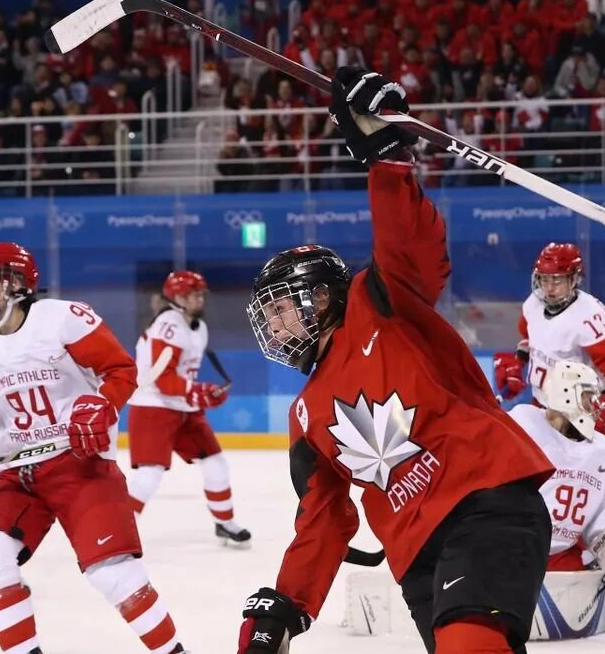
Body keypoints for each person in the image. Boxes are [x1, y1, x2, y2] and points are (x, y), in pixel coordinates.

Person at [236, 67, 554, 654]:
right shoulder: (305, 416)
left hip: (482, 502)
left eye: (284, 308)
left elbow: (414, 245)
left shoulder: (375, 300)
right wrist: (286, 604)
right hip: (416, 557)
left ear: (324, 294)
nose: (276, 325)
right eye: (270, 316)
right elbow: (324, 518)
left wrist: (385, 154)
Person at [0, 242, 184, 654]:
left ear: (20, 284)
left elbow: (119, 371)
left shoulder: (63, 318)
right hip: (17, 474)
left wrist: (98, 404)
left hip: (78, 465)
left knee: (113, 573)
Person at [508, 361, 605, 639]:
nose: (595, 404)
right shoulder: (523, 425)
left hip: (562, 558)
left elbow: (597, 516)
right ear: (565, 393)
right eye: (587, 395)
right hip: (511, 547)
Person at [127, 270, 251, 544]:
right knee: (149, 476)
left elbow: (181, 380)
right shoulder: (167, 325)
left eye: (199, 294)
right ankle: (117, 532)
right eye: (191, 294)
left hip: (181, 407)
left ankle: (225, 522)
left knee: (215, 462)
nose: (198, 299)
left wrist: (202, 394)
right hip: (153, 406)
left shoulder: (198, 327)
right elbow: (163, 380)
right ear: (177, 298)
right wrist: (199, 393)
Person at [494, 243, 605, 439]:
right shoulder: (532, 305)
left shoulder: (590, 316)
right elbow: (529, 339)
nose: (549, 288)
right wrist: (518, 362)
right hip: (540, 404)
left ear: (573, 279)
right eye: (544, 279)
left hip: (575, 416)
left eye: (557, 281)